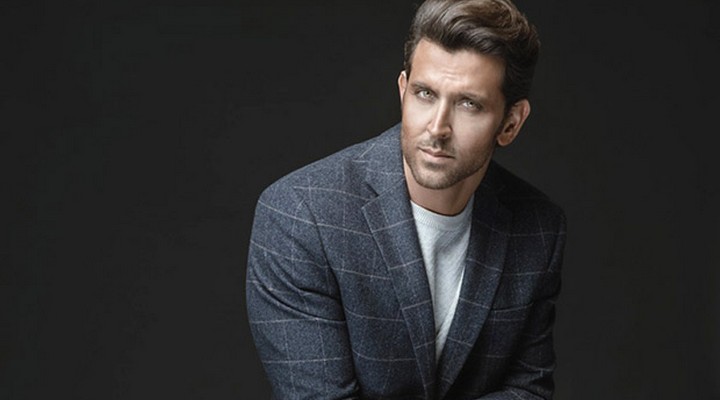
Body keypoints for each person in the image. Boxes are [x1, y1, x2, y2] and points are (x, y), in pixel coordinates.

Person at [246, 0, 566, 398]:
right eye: (425, 94)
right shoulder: (300, 216)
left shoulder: (537, 228)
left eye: (469, 104)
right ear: (403, 91)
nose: (438, 128)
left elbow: (527, 390)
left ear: (511, 123)